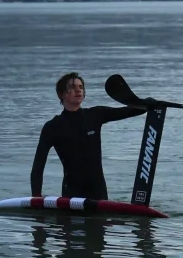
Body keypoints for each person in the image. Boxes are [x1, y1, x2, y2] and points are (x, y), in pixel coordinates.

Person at [30, 71, 147, 200]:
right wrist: (36, 197)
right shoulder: (52, 127)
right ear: (61, 94)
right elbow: (38, 165)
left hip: (98, 192)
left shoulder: (95, 115)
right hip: (72, 193)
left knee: (99, 221)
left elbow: (129, 111)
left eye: (81, 87)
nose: (78, 90)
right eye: (72, 87)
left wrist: (148, 104)